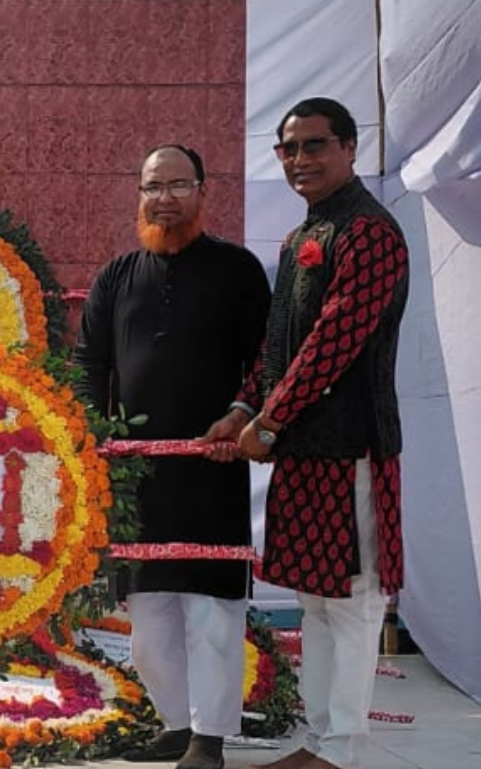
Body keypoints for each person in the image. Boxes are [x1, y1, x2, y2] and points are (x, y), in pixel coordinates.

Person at [205, 98, 409, 769]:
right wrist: (245, 406)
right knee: (316, 600)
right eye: (288, 148)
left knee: (351, 600)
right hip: (301, 445)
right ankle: (319, 741)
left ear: (350, 148)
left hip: (352, 445)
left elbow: (333, 343)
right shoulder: (303, 237)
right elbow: (280, 342)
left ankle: (343, 749)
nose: (299, 160)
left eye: (314, 145)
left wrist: (269, 421)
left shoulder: (370, 233)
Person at [73, 145, 270, 769]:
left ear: (203, 191)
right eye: (153, 187)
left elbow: (268, 358)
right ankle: (174, 725)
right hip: (138, 477)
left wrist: (241, 412)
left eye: (178, 185)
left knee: (211, 615)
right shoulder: (116, 276)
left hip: (212, 470)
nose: (164, 198)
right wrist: (93, 430)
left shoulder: (237, 271)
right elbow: (88, 362)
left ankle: (209, 738)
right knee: (150, 618)